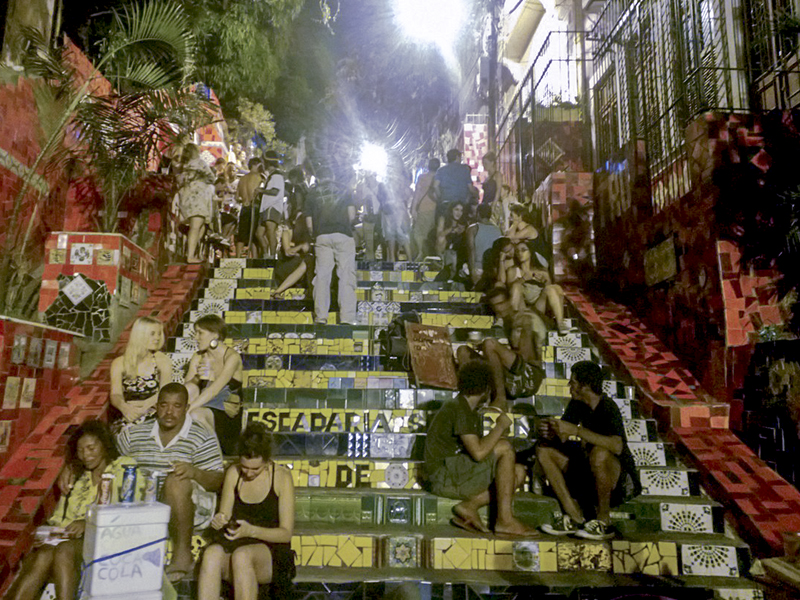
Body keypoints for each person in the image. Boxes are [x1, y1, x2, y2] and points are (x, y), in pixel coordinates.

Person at [6, 421, 137, 600]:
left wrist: (89, 522)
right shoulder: (77, 476)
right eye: (81, 450)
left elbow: (132, 508)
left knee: (64, 550)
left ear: (105, 445)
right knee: (43, 554)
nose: (86, 455)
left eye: (91, 448)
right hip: (74, 540)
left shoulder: (125, 467)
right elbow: (60, 519)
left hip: (111, 536)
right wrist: (47, 534)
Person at [116, 383, 225, 581]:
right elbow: (108, 463)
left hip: (189, 507)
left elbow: (217, 481)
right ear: (156, 407)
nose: (169, 412)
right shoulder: (134, 435)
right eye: (164, 405)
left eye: (177, 406)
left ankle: (182, 555)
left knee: (176, 480)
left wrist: (194, 472)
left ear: (186, 407)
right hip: (144, 504)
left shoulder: (201, 436)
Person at [423, 361, 535, 537]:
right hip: (442, 477)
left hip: (454, 473)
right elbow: (478, 453)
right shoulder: (458, 408)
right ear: (487, 389)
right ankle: (505, 521)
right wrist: (499, 427)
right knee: (505, 447)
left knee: (518, 473)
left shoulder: (467, 409)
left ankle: (470, 506)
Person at [536, 361, 640, 540]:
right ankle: (576, 517)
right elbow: (563, 436)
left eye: (573, 382)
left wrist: (577, 431)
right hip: (588, 472)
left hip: (617, 480)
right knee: (544, 452)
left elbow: (617, 445)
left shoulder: (608, 407)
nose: (569, 386)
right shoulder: (577, 405)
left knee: (599, 453)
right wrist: (549, 429)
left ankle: (603, 521)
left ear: (585, 386)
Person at [197, 423, 295, 600]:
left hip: (269, 551)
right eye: (244, 467)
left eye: (255, 469)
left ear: (266, 461)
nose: (248, 473)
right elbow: (224, 515)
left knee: (242, 556)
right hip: (238, 543)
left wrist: (251, 530)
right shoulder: (234, 473)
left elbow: (286, 534)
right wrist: (220, 520)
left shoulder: (282, 477)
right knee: (211, 554)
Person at [457, 291, 545, 411]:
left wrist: (497, 351)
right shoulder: (507, 320)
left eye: (501, 303)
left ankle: (500, 400)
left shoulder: (524, 320)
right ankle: (475, 399)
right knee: (463, 351)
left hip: (529, 376)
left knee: (490, 344)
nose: (498, 308)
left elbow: (526, 357)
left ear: (509, 302)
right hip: (513, 372)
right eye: (495, 305)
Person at [184, 315, 244, 455]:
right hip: (203, 410)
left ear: (215, 334)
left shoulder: (232, 357)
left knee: (195, 414)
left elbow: (215, 390)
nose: (196, 338)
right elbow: (185, 390)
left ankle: (215, 460)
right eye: (195, 333)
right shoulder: (198, 356)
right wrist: (197, 377)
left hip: (225, 415)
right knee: (190, 388)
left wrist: (186, 411)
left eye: (200, 333)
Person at [306, 170, 357, 325]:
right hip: (343, 234)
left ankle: (321, 317)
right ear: (334, 174)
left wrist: (315, 234)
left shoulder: (312, 193)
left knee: (322, 276)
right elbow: (352, 215)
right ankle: (347, 318)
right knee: (346, 275)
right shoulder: (345, 190)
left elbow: (309, 223)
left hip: (322, 236)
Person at [109, 317, 173, 430]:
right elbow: (115, 394)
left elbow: (165, 393)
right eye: (152, 334)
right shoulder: (119, 363)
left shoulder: (163, 361)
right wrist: (125, 408)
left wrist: (144, 407)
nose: (157, 338)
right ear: (139, 335)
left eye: (159, 333)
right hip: (128, 413)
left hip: (154, 412)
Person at [507, 241, 568, 335]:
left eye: (523, 250)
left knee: (552, 288)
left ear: (530, 252)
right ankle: (512, 322)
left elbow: (551, 294)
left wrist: (545, 281)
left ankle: (561, 324)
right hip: (521, 307)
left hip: (538, 307)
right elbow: (509, 289)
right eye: (517, 251)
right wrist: (523, 279)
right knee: (516, 286)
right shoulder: (513, 270)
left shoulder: (542, 271)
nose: (520, 253)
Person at [177, 143, 216, 263]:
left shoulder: (182, 166)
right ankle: (190, 255)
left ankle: (191, 251)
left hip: (187, 196)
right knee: (196, 226)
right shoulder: (200, 163)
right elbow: (212, 178)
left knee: (198, 225)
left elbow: (179, 181)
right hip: (198, 197)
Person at [271, 207, 313, 299]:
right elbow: (288, 252)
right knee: (306, 262)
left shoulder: (306, 234)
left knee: (308, 261)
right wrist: (300, 247)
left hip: (301, 263)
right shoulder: (287, 232)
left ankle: (278, 291)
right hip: (287, 265)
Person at [256, 151, 285, 259]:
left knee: (270, 231)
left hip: (272, 206)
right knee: (259, 234)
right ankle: (265, 254)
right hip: (265, 207)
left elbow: (274, 191)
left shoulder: (277, 175)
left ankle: (272, 255)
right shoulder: (272, 176)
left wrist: (261, 190)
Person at [235, 159, 266, 258]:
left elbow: (237, 197)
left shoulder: (242, 179)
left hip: (244, 207)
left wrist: (245, 199)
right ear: (256, 165)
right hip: (255, 207)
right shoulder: (259, 177)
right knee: (254, 236)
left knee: (242, 235)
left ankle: (238, 257)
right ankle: (255, 258)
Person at [410, 158, 440, 260]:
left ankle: (422, 253)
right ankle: (429, 255)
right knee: (430, 233)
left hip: (424, 209)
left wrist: (413, 209)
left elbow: (417, 194)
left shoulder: (422, 178)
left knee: (418, 233)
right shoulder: (440, 178)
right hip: (437, 210)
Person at [466, 203, 502, 285]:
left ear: (478, 213)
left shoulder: (473, 229)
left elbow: (471, 251)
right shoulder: (498, 230)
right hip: (493, 270)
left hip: (478, 268)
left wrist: (472, 272)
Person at [432, 149, 478, 214]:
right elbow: (470, 188)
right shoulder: (464, 169)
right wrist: (476, 193)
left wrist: (441, 196)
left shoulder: (441, 170)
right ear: (457, 157)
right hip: (461, 204)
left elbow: (435, 186)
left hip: (446, 202)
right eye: (460, 157)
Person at [434, 202, 469, 275]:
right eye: (456, 209)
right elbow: (439, 234)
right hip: (443, 246)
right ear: (451, 210)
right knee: (441, 239)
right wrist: (452, 229)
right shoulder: (443, 218)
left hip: (457, 248)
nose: (459, 213)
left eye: (461, 210)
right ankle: (440, 261)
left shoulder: (463, 221)